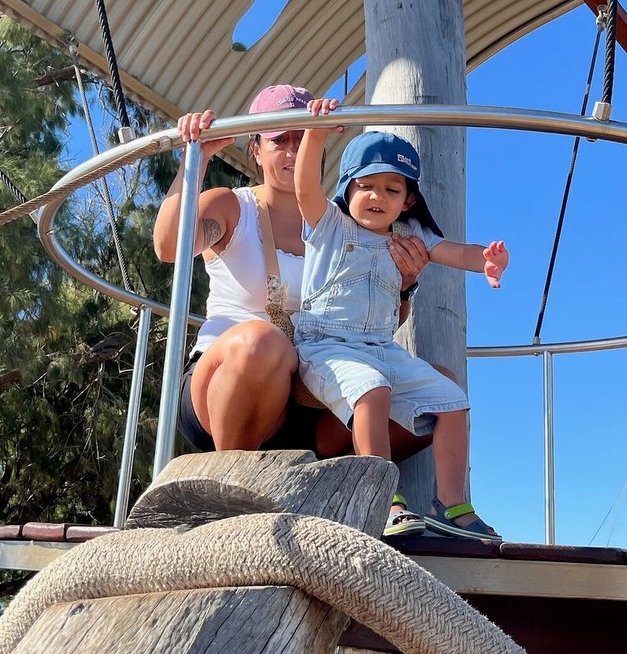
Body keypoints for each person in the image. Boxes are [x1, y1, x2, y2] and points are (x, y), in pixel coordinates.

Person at [152, 85, 432, 488]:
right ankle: (228, 488)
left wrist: (403, 287)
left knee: (436, 396)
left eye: (301, 136)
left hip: (310, 397)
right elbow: (168, 246)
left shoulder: (346, 228)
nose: (291, 149)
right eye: (279, 139)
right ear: (256, 150)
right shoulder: (233, 207)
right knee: (261, 342)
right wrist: (197, 157)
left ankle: (345, 492)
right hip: (227, 387)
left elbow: (379, 325)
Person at [293, 97, 508, 543]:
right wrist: (315, 135)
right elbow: (305, 190)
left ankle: (451, 504)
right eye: (367, 186)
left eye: (392, 190)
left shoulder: (412, 236)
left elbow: (454, 251)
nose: (377, 197)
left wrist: (486, 261)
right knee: (371, 389)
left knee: (453, 400)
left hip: (382, 348)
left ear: (408, 199)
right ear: (348, 188)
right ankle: (384, 499)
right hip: (327, 343)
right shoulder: (330, 225)